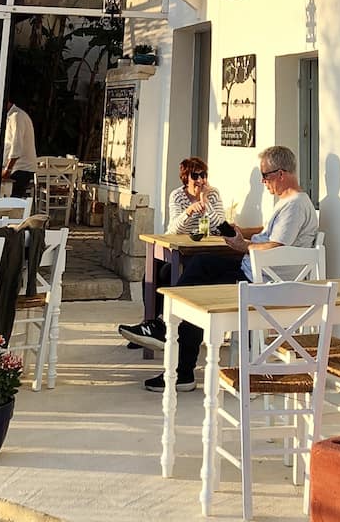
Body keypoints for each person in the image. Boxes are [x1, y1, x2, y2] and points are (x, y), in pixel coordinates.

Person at [125, 145, 319, 392]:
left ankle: (171, 345)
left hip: (262, 281)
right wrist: (243, 234)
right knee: (198, 269)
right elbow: (270, 235)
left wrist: (243, 245)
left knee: (199, 281)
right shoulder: (289, 202)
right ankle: (172, 347)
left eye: (265, 176)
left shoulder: (295, 205)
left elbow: (275, 248)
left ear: (281, 174)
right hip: (255, 272)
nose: (263, 182)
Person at [117, 157, 227, 348]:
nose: (200, 180)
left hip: (201, 249)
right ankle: (150, 325)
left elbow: (220, 224)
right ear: (186, 178)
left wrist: (205, 203)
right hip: (176, 247)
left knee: (170, 273)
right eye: (195, 176)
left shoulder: (213, 194)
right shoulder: (177, 196)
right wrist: (189, 211)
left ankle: (160, 328)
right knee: (153, 273)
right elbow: (174, 229)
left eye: (203, 175)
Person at [1, 99, 37, 198]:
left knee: (12, 200)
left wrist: (8, 170)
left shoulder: (17, 116)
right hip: (15, 168)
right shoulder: (10, 116)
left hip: (20, 168)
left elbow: (16, 146)